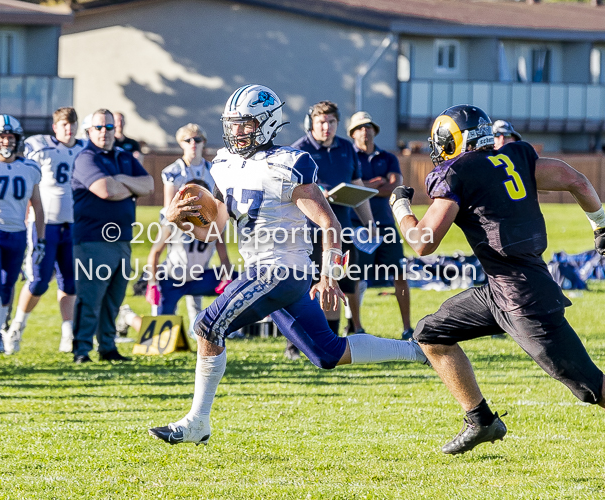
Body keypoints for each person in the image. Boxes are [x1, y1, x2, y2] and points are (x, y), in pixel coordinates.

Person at [148, 84, 428, 446]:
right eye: (232, 124)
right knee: (327, 354)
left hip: (281, 269)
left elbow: (330, 224)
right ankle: (421, 350)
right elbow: (212, 230)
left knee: (206, 326)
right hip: (266, 272)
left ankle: (198, 422)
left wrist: (329, 275)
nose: (236, 131)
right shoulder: (223, 164)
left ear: (266, 123)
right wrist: (173, 218)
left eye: (245, 124)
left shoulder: (287, 163)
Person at [390, 104, 605, 454]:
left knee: (592, 387)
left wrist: (400, 208)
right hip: (501, 289)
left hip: (523, 299)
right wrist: (600, 223)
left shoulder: (458, 172)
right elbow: (575, 180)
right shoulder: (517, 155)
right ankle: (481, 420)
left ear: (451, 140)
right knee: (430, 334)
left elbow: (423, 242)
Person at [285, 101, 375, 360]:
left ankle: (331, 342)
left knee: (338, 285)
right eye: (321, 122)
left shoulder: (347, 148)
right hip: (307, 233)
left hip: (341, 231)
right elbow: (288, 195)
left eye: (331, 122)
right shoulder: (298, 151)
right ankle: (294, 345)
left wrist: (368, 222)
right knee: (304, 289)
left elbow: (357, 186)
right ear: (310, 124)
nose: (326, 127)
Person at [71, 109, 154, 363]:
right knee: (91, 297)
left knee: (114, 297)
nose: (104, 132)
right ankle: (82, 350)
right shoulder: (86, 158)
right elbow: (106, 190)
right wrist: (129, 186)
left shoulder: (124, 156)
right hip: (93, 240)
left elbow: (149, 186)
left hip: (122, 240)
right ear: (89, 130)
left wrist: (120, 180)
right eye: (98, 127)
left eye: (108, 127)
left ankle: (107, 347)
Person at [9, 107, 85, 352]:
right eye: (64, 124)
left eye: (72, 124)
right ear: (55, 127)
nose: (69, 129)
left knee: (70, 282)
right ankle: (16, 328)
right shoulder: (39, 146)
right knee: (39, 281)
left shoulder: (83, 149)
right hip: (44, 224)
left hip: (72, 224)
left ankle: (67, 335)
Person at [117, 179, 233, 336]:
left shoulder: (215, 223)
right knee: (160, 335)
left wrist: (226, 279)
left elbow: (224, 256)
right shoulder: (172, 221)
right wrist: (153, 284)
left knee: (240, 282)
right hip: (171, 279)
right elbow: (155, 253)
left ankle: (232, 327)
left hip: (199, 278)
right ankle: (128, 316)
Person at [0, 115, 45, 356]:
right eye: (1, 137)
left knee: (8, 286)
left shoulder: (29, 167)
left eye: (10, 137)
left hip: (17, 232)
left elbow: (38, 205)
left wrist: (39, 240)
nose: (6, 142)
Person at [347, 111, 413, 340]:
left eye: (369, 126)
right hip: (357, 225)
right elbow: (349, 188)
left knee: (399, 273)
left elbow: (394, 187)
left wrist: (365, 186)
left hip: (385, 224)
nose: (365, 131)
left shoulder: (388, 157)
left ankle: (407, 327)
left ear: (374, 130)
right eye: (360, 127)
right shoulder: (348, 155)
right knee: (354, 276)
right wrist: (377, 184)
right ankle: (357, 327)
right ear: (353, 133)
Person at [157, 124, 227, 333]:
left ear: (204, 142)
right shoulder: (173, 171)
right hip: (179, 226)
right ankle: (163, 317)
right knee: (180, 265)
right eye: (188, 140)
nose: (193, 144)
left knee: (199, 265)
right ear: (181, 144)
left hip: (206, 224)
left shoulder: (213, 170)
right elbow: (169, 207)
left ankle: (195, 323)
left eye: (197, 140)